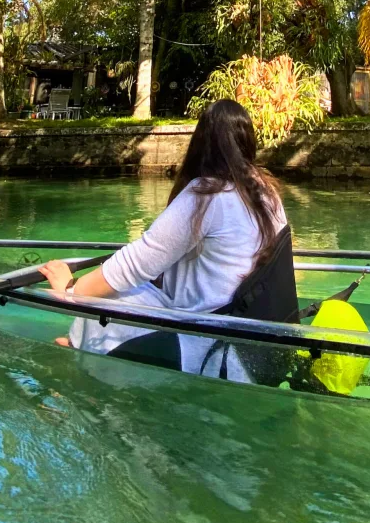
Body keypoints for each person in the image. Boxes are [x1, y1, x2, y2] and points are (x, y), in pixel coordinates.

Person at [39, 99, 288, 362]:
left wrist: (71, 291)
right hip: (242, 327)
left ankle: (77, 351)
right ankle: (79, 343)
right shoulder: (267, 192)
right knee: (136, 288)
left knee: (116, 294)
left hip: (206, 339)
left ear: (201, 143)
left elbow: (134, 264)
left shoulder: (207, 195)